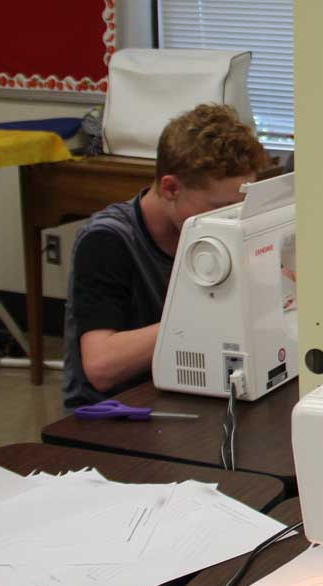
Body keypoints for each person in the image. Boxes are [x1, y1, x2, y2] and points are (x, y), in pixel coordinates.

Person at [63, 104, 270, 408]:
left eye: (239, 207)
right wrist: (201, 313)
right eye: (219, 208)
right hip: (114, 414)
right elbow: (101, 366)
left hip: (185, 393)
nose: (232, 221)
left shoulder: (211, 230)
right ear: (170, 188)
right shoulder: (107, 242)